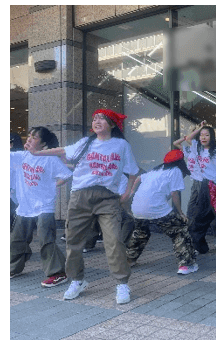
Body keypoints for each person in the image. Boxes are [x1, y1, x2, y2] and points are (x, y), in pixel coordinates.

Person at [30, 109, 141, 303]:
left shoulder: (121, 145)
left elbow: (133, 172)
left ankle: (122, 284)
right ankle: (77, 280)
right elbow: (63, 150)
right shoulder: (86, 142)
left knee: (114, 241)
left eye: (102, 119)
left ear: (112, 124)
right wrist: (37, 153)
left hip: (108, 198)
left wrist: (127, 194)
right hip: (80, 197)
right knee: (73, 242)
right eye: (95, 118)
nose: (97, 121)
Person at [120, 150, 194, 281]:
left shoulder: (155, 171)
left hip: (138, 208)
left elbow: (138, 178)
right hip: (156, 208)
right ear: (181, 162)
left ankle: (128, 261)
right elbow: (174, 194)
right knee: (179, 231)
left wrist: (132, 192)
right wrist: (181, 213)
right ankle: (185, 265)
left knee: (140, 233)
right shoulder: (175, 171)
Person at [11, 127, 72, 285]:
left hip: (44, 206)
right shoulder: (20, 157)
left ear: (43, 143)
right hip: (24, 206)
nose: (29, 139)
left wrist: (53, 186)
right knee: (17, 239)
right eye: (29, 136)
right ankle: (12, 268)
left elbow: (66, 175)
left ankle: (58, 273)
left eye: (34, 137)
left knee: (46, 239)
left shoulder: (49, 159)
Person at [173, 123, 216, 255]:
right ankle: (199, 247)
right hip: (201, 187)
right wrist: (198, 129)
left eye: (207, 135)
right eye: (201, 135)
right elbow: (186, 140)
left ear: (212, 137)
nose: (204, 137)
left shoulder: (215, 153)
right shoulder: (195, 149)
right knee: (197, 218)